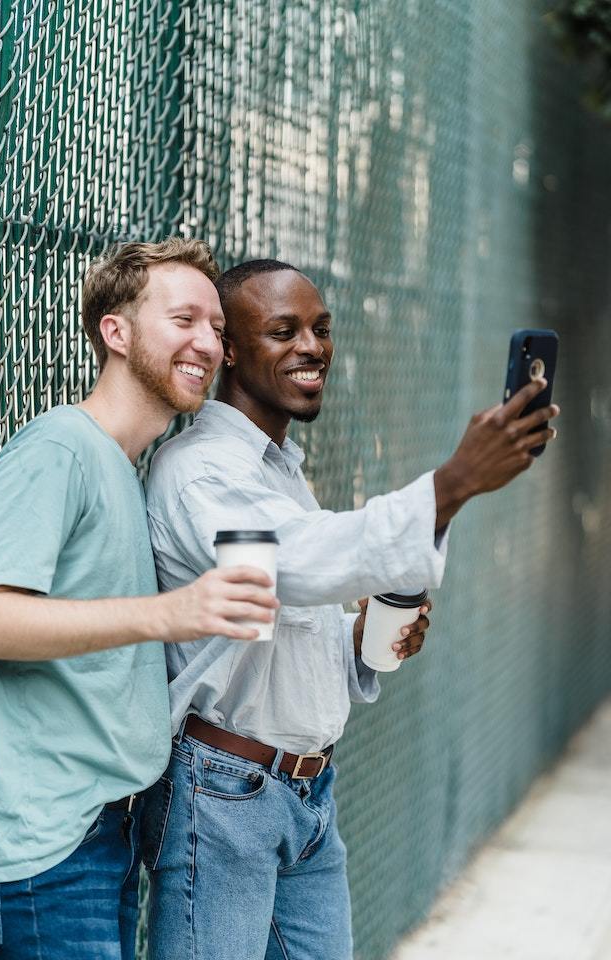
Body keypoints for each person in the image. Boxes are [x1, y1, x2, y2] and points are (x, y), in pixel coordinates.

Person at [144, 259, 560, 960]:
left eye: (321, 328)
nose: (312, 347)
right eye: (284, 331)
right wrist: (452, 483)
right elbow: (293, 562)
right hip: (222, 798)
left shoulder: (275, 468)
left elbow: (270, 613)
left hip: (304, 795)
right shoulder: (200, 470)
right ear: (232, 350)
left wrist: (356, 635)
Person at [0, 239, 278, 960]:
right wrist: (170, 613)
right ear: (116, 332)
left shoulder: (125, 469)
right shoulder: (60, 450)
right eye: (183, 319)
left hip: (98, 830)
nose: (208, 341)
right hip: (46, 843)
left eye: (216, 328)